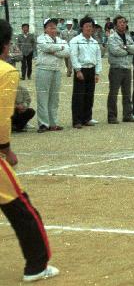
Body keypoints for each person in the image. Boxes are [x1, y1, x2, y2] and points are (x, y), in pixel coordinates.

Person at [0, 20, 60, 282]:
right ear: (5, 43)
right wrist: (6, 149)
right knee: (21, 207)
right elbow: (2, 117)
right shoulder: (6, 72)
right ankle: (36, 265)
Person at [34, 19, 69, 132]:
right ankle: (43, 124)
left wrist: (55, 50)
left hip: (57, 70)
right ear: (45, 29)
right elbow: (45, 47)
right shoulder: (41, 38)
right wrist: (60, 48)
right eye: (50, 27)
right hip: (43, 69)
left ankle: (53, 123)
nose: (53, 29)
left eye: (55, 27)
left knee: (54, 98)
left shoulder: (60, 39)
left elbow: (67, 52)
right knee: (43, 97)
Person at [69, 17, 102, 129]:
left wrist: (97, 73)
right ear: (82, 27)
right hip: (81, 69)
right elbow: (73, 56)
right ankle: (77, 120)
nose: (89, 28)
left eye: (91, 26)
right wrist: (77, 70)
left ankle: (87, 118)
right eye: (87, 26)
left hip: (91, 69)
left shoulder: (94, 42)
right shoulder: (75, 40)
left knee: (89, 95)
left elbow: (98, 58)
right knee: (79, 96)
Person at [106, 16, 134, 124]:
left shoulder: (128, 36)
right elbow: (115, 51)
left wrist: (125, 48)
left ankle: (127, 115)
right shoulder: (112, 37)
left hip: (127, 67)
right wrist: (128, 50)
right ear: (115, 25)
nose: (123, 24)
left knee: (127, 93)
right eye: (120, 22)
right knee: (113, 93)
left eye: (124, 22)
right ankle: (112, 116)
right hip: (116, 68)